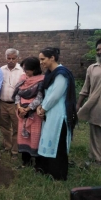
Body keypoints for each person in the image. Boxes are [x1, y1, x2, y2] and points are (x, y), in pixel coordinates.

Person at [36, 47, 78, 181]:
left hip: (59, 114)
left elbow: (55, 95)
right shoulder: (50, 73)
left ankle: (57, 173)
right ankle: (45, 169)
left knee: (57, 141)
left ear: (52, 58)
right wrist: (40, 107)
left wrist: (43, 109)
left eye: (43, 59)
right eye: (40, 59)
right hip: (49, 110)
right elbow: (47, 93)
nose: (41, 62)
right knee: (48, 138)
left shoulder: (61, 74)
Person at [12, 57, 44, 168]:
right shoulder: (22, 78)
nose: (25, 72)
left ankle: (37, 163)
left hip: (34, 114)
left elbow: (39, 98)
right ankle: (25, 161)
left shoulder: (41, 80)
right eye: (24, 69)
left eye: (27, 69)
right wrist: (19, 106)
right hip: (21, 113)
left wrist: (28, 109)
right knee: (23, 136)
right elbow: (17, 93)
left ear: (35, 69)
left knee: (34, 136)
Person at [77, 38, 101, 165]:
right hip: (96, 106)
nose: (99, 52)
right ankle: (96, 159)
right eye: (98, 50)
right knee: (95, 134)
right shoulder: (92, 68)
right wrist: (78, 104)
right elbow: (85, 89)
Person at [0, 48, 24, 160]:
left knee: (16, 128)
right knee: (4, 127)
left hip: (15, 104)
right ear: (6, 58)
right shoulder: (1, 70)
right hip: (2, 103)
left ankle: (15, 150)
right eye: (9, 58)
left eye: (13, 58)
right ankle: (7, 146)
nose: (11, 60)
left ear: (17, 59)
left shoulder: (22, 71)